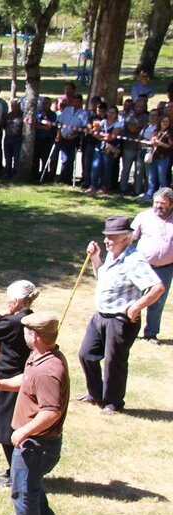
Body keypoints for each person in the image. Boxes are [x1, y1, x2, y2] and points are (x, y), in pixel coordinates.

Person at [0, 311, 69, 515]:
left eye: (26, 331)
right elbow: (27, 379)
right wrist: (1, 384)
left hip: (37, 444)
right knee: (30, 485)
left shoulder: (48, 371)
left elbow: (51, 412)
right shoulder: (40, 357)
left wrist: (24, 432)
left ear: (36, 336)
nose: (24, 335)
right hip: (35, 441)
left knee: (22, 491)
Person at [78, 216, 165, 413]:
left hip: (120, 320)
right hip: (100, 315)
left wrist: (135, 308)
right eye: (106, 236)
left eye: (111, 237)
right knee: (86, 354)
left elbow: (157, 287)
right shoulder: (112, 254)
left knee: (113, 361)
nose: (106, 240)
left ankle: (113, 403)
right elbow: (103, 277)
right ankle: (95, 394)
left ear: (125, 238)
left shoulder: (134, 260)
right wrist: (95, 258)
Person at [0, 281, 38, 487]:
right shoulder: (30, 319)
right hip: (21, 377)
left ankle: (18, 476)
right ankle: (13, 470)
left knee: (7, 431)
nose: (6, 302)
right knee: (9, 429)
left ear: (17, 301)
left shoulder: (13, 322)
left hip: (7, 380)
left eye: (9, 299)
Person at [131, 189, 173, 342]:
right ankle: (129, 330)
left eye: (162, 203)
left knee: (158, 301)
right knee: (134, 297)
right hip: (142, 266)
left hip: (166, 268)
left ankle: (151, 334)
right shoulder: (143, 217)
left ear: (171, 204)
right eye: (156, 203)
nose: (158, 206)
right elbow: (130, 238)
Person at [56, 94, 87, 185]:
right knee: (64, 158)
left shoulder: (83, 113)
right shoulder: (67, 110)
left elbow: (83, 127)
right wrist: (58, 135)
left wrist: (75, 133)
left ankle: (68, 179)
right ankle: (62, 178)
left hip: (74, 139)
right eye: (74, 101)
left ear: (81, 102)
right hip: (64, 137)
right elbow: (60, 123)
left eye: (78, 102)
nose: (76, 103)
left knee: (71, 159)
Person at [89, 106, 121, 194]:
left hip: (110, 149)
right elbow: (94, 133)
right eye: (109, 112)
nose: (110, 114)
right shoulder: (103, 122)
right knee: (95, 166)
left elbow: (112, 137)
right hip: (99, 147)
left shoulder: (118, 124)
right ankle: (93, 185)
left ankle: (104, 186)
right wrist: (103, 136)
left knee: (107, 168)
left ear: (116, 114)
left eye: (113, 112)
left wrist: (100, 136)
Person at [120, 98, 148, 196]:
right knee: (126, 169)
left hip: (141, 148)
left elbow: (142, 127)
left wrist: (138, 127)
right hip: (129, 147)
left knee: (139, 171)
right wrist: (140, 127)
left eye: (142, 107)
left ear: (145, 108)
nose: (139, 108)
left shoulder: (147, 116)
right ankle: (123, 188)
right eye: (137, 106)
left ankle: (137, 190)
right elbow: (132, 128)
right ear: (134, 106)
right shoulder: (129, 114)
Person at [145, 114, 172, 198]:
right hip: (153, 156)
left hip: (163, 157)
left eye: (167, 121)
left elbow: (171, 146)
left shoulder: (170, 132)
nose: (165, 123)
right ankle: (149, 194)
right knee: (151, 177)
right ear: (160, 122)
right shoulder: (156, 131)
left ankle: (163, 196)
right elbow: (151, 142)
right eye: (164, 121)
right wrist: (152, 142)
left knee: (162, 178)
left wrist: (161, 144)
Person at [34, 96, 58, 182]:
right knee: (35, 158)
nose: (45, 105)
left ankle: (44, 176)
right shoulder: (37, 113)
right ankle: (35, 175)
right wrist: (41, 127)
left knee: (45, 159)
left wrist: (45, 117)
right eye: (44, 103)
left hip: (46, 139)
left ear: (50, 105)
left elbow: (48, 127)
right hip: (37, 138)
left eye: (47, 103)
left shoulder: (52, 115)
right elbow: (34, 126)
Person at [3, 99, 23, 179]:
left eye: (15, 106)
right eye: (12, 106)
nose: (13, 108)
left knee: (16, 157)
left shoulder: (22, 116)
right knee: (8, 157)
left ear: (18, 106)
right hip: (8, 138)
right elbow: (3, 125)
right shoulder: (8, 115)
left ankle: (15, 173)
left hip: (17, 139)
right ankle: (7, 173)